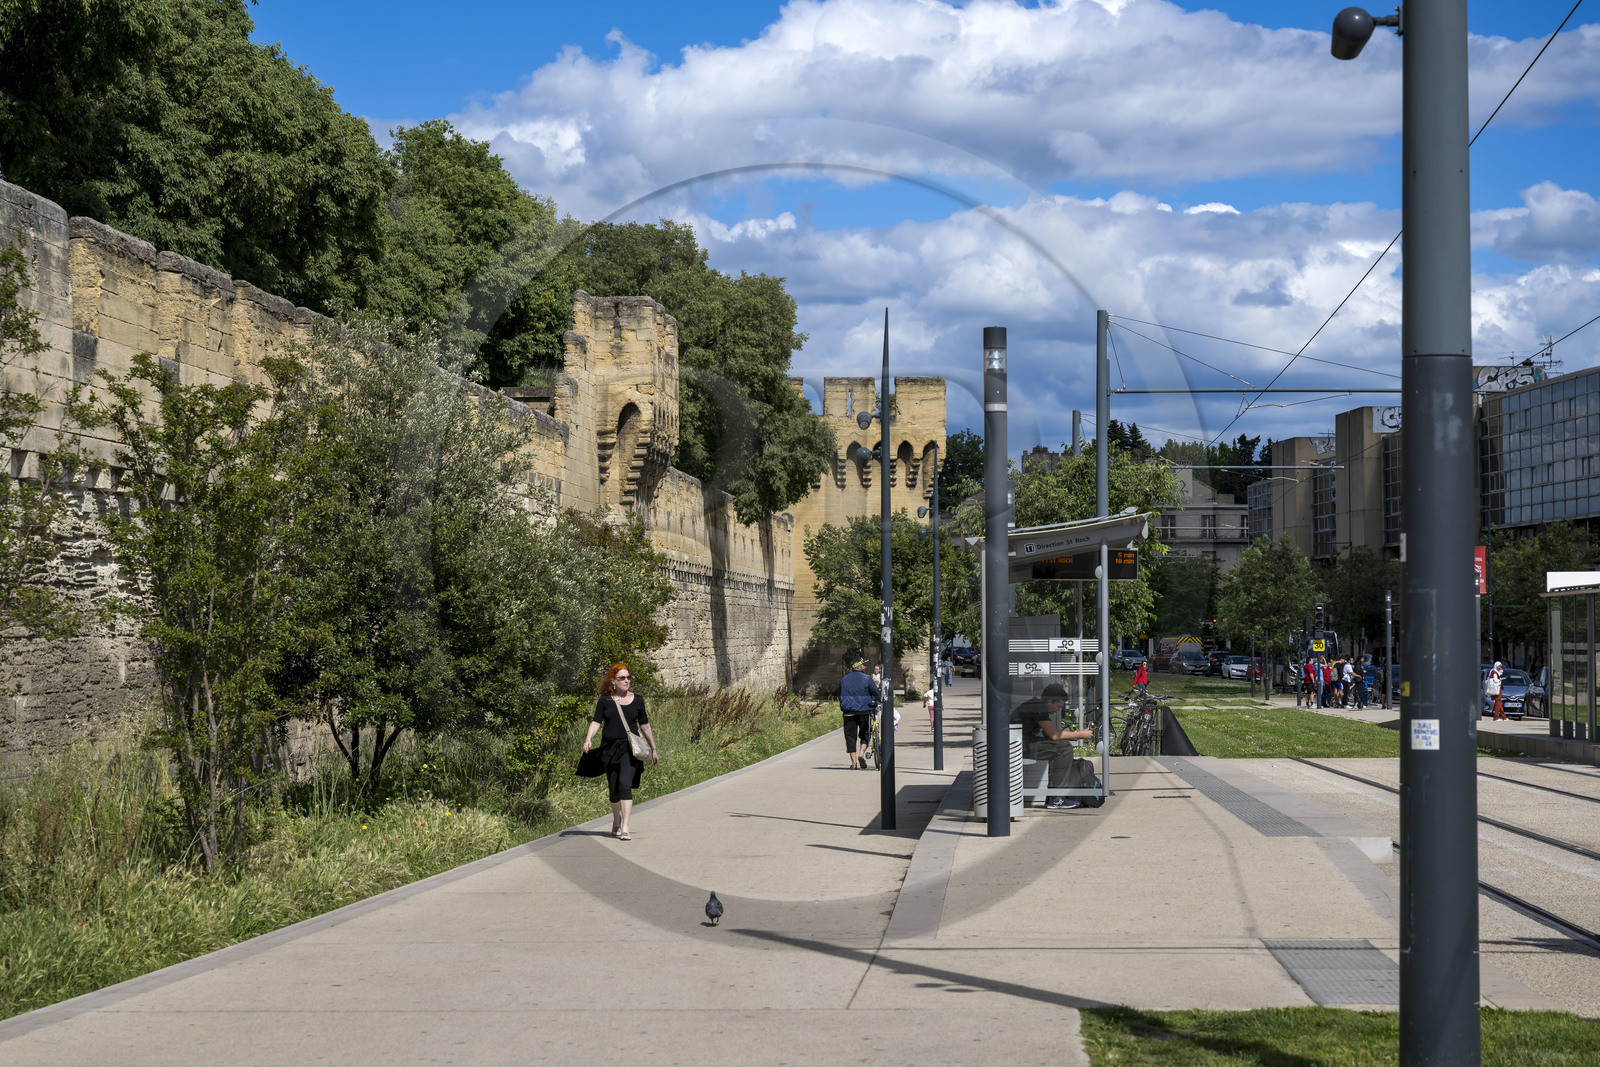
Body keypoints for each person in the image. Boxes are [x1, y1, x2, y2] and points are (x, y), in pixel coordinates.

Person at [582, 663, 659, 841]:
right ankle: (616, 819)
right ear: (613, 681)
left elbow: (645, 726)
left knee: (625, 785)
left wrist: (653, 748)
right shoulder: (604, 700)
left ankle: (625, 828)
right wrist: (588, 738)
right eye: (622, 678)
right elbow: (596, 722)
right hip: (609, 749)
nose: (626, 681)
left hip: (630, 750)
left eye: (628, 677)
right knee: (614, 788)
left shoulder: (638, 700)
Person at [1011, 682, 1097, 810]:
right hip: (1016, 745)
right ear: (1050, 701)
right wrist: (1080, 734)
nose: (1058, 709)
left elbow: (1050, 735)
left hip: (1017, 742)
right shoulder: (1038, 708)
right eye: (1058, 706)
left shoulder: (1036, 705)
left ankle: (1053, 795)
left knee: (1059, 747)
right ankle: (1057, 797)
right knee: (1064, 748)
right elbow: (1055, 735)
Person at [839, 658, 881, 770]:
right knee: (865, 733)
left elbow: (840, 695)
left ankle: (853, 764)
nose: (865, 667)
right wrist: (879, 699)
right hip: (864, 711)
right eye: (863, 665)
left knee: (850, 737)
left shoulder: (844, 679)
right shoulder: (867, 678)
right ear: (858, 667)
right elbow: (876, 693)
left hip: (848, 712)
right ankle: (861, 754)